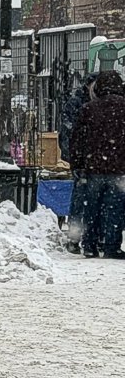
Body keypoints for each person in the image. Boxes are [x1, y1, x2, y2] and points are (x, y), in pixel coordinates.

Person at [69, 71, 125, 259]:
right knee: (115, 209)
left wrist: (77, 164)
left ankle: (89, 245)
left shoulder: (88, 109)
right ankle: (111, 245)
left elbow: (77, 139)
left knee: (91, 208)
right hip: (119, 168)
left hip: (93, 168)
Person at [60, 73, 99, 254]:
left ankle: (85, 238)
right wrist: (74, 160)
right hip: (83, 161)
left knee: (85, 201)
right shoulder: (77, 104)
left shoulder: (91, 104)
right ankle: (75, 238)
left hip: (91, 160)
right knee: (80, 201)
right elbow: (68, 133)